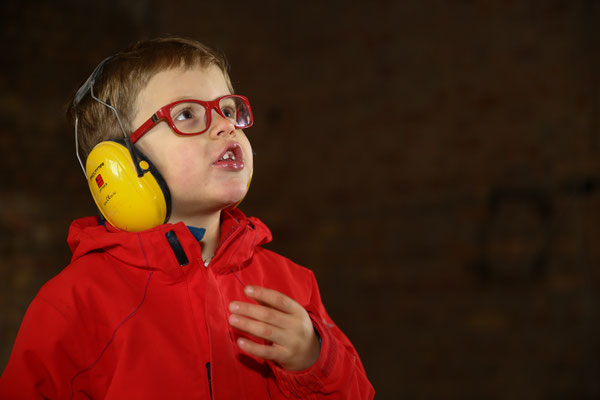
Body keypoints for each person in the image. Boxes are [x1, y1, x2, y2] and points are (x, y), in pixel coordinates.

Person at [0, 37, 374, 399]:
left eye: (228, 110)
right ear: (120, 164)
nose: (227, 125)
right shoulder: (75, 302)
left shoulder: (291, 285)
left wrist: (314, 359)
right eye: (187, 115)